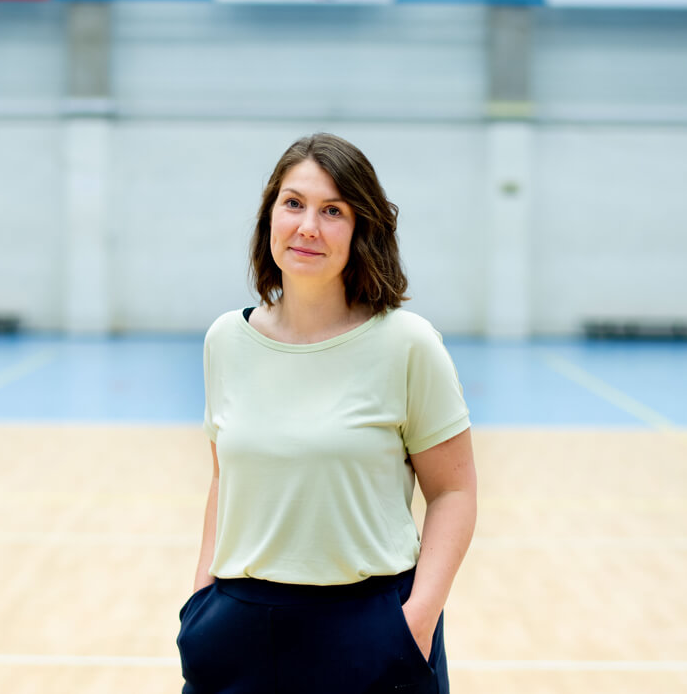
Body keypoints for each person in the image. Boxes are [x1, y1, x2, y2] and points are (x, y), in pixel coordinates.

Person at [177, 133, 476, 694]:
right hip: (236, 627)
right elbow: (226, 478)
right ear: (270, 215)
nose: (308, 226)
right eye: (293, 203)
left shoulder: (408, 344)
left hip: (370, 629)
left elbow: (454, 494)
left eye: (332, 211)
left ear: (362, 228)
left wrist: (416, 622)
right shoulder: (226, 340)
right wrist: (201, 600)